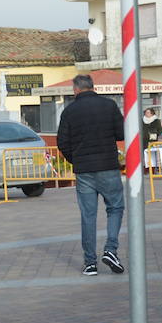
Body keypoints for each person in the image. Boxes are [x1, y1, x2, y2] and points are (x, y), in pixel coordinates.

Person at [55, 73, 126, 276]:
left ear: (76, 89)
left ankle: (90, 263)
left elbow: (62, 142)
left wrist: (76, 159)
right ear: (92, 87)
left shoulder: (69, 111)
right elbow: (121, 133)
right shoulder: (109, 106)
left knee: (88, 215)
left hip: (84, 170)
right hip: (108, 166)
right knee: (115, 207)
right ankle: (111, 250)